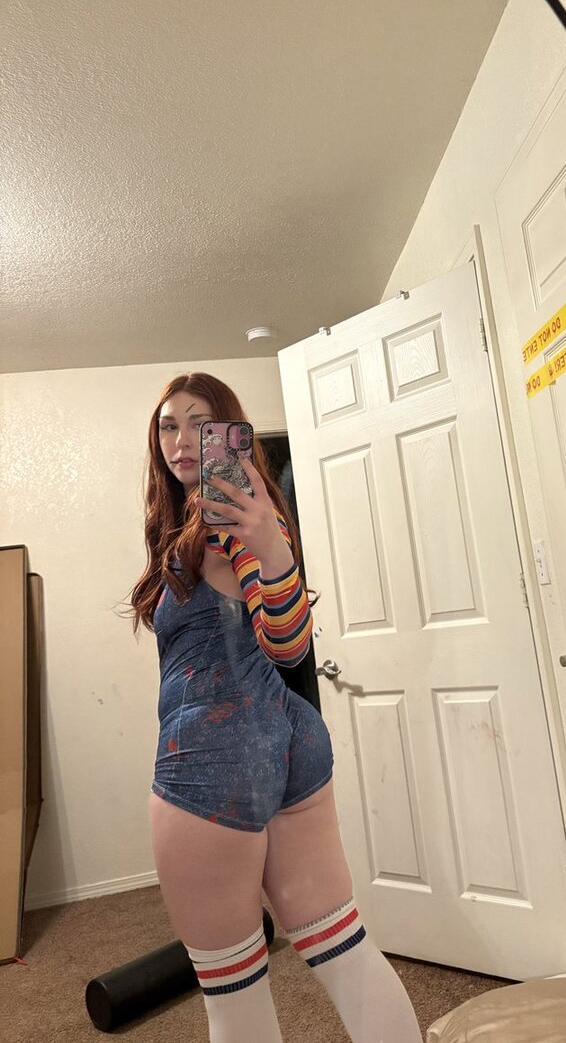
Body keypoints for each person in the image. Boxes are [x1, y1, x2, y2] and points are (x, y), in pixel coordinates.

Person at [127, 372, 422, 1043]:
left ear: (229, 432)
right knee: (342, 946)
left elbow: (287, 642)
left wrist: (272, 547)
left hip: (212, 756)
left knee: (232, 988)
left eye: (199, 424)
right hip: (291, 742)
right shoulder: (198, 523)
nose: (180, 440)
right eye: (167, 426)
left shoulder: (234, 523)